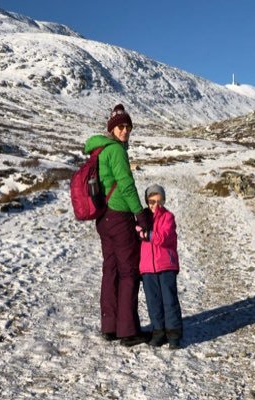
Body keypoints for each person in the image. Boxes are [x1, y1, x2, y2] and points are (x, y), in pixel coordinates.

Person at [84, 103, 150, 347]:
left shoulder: (99, 150)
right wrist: (139, 214)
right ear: (111, 129)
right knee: (128, 272)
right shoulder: (117, 151)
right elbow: (126, 185)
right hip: (120, 216)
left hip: (104, 218)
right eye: (120, 126)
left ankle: (110, 326)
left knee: (110, 271)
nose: (125, 131)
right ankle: (128, 330)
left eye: (128, 126)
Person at [136, 184, 183, 349]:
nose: (155, 205)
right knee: (153, 301)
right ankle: (158, 331)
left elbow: (162, 237)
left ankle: (174, 334)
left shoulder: (168, 217)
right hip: (148, 268)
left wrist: (147, 234)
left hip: (166, 265)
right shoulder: (142, 218)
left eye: (158, 201)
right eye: (151, 201)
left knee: (169, 301)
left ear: (163, 201)